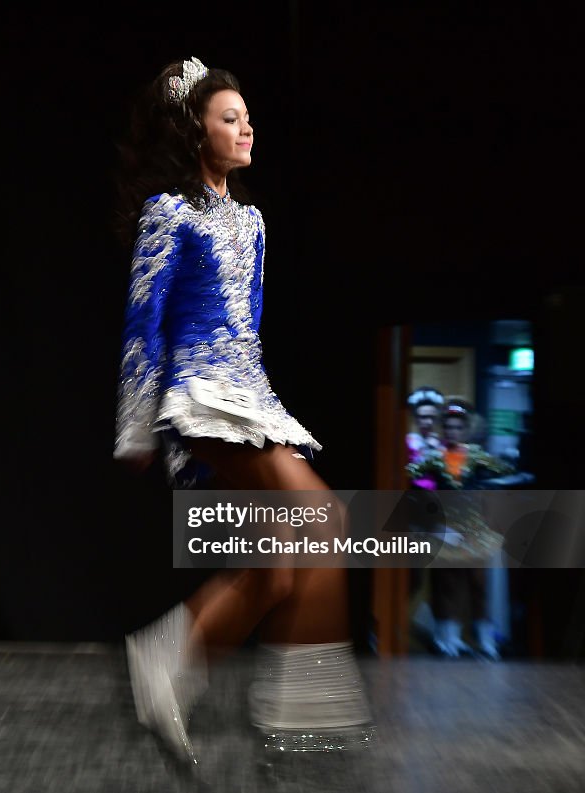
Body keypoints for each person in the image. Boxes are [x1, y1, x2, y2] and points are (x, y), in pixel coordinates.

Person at [114, 57, 373, 767]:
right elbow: (145, 322)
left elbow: (249, 326)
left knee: (281, 561)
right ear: (195, 132)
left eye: (247, 116)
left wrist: (267, 408)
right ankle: (301, 720)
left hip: (251, 397)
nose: (245, 126)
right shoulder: (169, 214)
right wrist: (137, 425)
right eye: (229, 117)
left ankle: (165, 655)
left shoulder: (252, 222)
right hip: (200, 399)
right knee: (325, 518)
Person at [407, 399, 512, 660]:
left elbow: (504, 470)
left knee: (479, 584)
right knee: (447, 584)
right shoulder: (435, 458)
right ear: (444, 430)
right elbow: (410, 475)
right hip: (447, 527)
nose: (453, 432)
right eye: (449, 427)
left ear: (465, 429)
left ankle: (485, 640)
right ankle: (448, 638)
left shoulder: (476, 456)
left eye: (458, 427)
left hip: (475, 528)